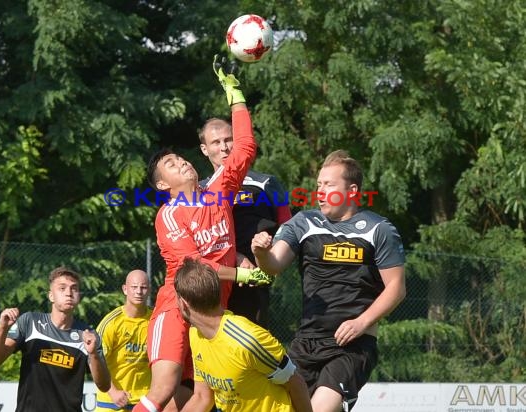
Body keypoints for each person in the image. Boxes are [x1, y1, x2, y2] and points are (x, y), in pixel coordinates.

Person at [132, 56, 274, 412]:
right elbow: (195, 271)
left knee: (203, 397)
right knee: (162, 390)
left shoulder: (220, 191)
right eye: (171, 165)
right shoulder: (168, 216)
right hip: (177, 307)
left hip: (212, 310)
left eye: (179, 158)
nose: (180, 162)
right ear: (163, 185)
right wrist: (243, 272)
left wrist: (235, 94)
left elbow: (244, 148)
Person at [251, 150, 406, 412]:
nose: (321, 192)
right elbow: (273, 266)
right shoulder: (304, 222)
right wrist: (260, 253)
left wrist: (361, 322)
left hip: (352, 346)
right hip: (306, 342)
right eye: (319, 185)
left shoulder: (378, 229)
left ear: (352, 190)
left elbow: (397, 288)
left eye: (330, 185)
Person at [175, 257, 313, 412]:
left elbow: (295, 383)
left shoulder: (247, 340)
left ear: (183, 303)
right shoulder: (196, 334)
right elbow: (202, 397)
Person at [199, 117, 292, 327]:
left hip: (253, 281)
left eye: (228, 140)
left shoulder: (267, 183)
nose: (224, 148)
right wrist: (235, 257)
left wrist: (269, 259)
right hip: (212, 282)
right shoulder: (198, 191)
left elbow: (288, 229)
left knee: (249, 349)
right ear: (204, 149)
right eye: (216, 142)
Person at [0, 266, 111, 412]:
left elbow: (104, 386)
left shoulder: (88, 335)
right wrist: (2, 327)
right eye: (62, 288)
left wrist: (94, 354)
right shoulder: (30, 322)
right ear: (51, 295)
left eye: (74, 289)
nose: (69, 293)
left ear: (79, 296)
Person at [95, 269, 153, 411]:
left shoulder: (156, 319)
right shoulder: (111, 322)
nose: (139, 291)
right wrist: (113, 392)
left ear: (149, 290)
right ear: (125, 289)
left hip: (145, 402)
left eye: (143, 287)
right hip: (111, 403)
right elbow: (95, 361)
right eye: (134, 287)